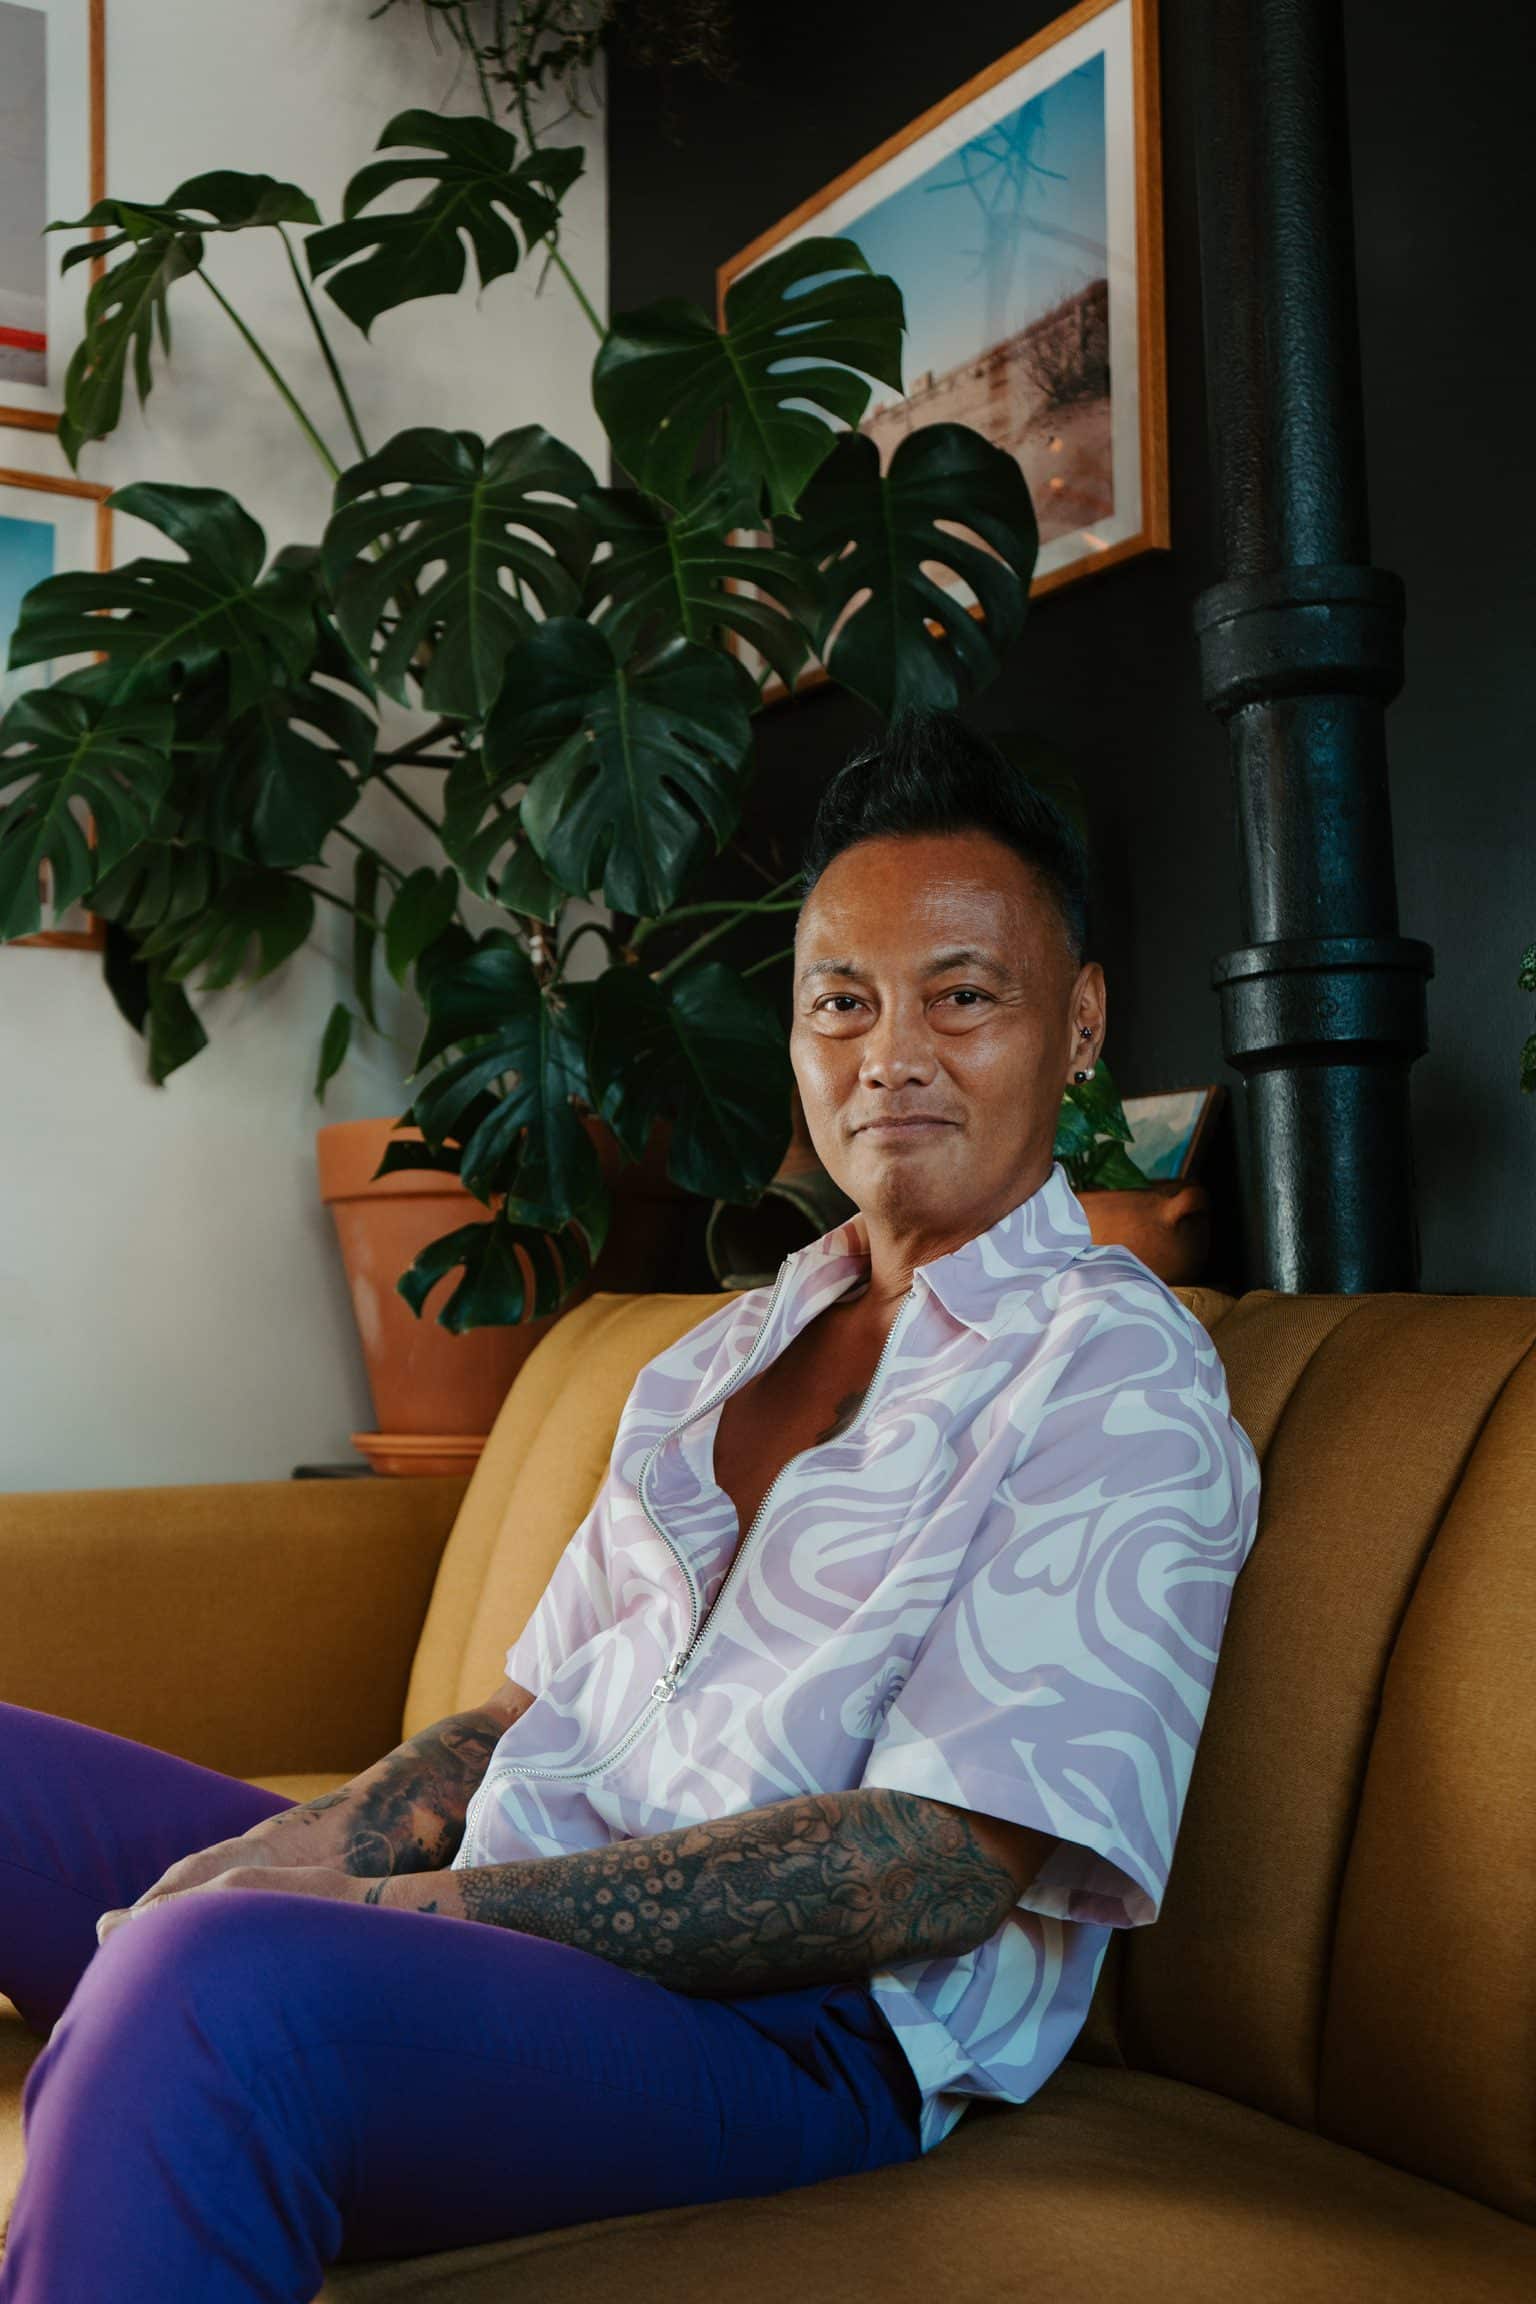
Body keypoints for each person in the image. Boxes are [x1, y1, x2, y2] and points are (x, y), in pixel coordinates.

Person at [0, 705, 1262, 2302]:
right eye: (843, 1002)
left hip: (790, 2035)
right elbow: (519, 1721)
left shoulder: (1117, 1379)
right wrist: (286, 1856)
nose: (890, 1056)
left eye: (962, 997)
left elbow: (933, 1867)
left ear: (1079, 1023)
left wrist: (409, 1913)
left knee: (207, 1990)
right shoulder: (720, 1350)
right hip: (517, 1894)